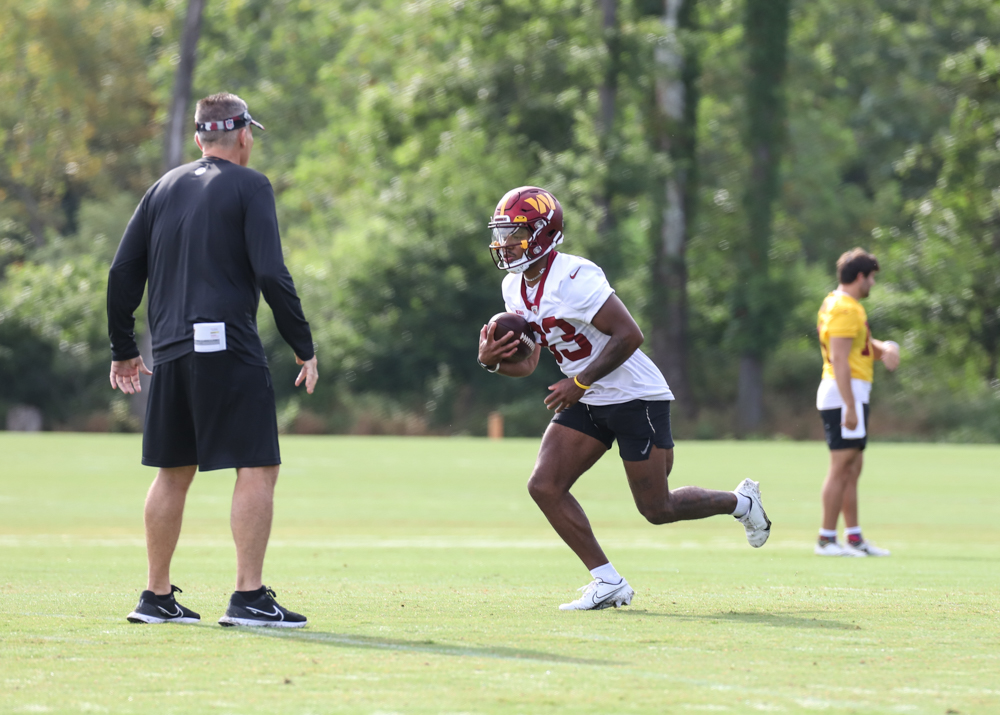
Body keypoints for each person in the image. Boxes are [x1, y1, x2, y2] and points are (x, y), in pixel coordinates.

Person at [477, 186, 771, 611]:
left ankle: (741, 502)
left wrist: (579, 382)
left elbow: (630, 335)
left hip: (635, 396)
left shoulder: (575, 276)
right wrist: (490, 362)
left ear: (544, 234)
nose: (505, 244)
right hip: (588, 398)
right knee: (544, 486)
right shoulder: (513, 288)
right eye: (502, 234)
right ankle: (608, 581)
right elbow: (529, 363)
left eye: (516, 234)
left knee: (657, 508)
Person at [107, 92, 319, 627]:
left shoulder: (162, 188)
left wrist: (123, 348)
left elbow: (122, 273)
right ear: (243, 135)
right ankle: (248, 597)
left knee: (173, 470)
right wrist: (303, 343)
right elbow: (271, 273)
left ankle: (155, 597)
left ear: (200, 136)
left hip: (170, 348)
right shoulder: (251, 185)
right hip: (227, 344)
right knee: (258, 463)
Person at [814, 248, 900, 557]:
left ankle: (853, 538)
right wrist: (850, 406)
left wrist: (885, 348)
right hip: (843, 394)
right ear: (860, 276)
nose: (873, 283)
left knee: (852, 468)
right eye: (872, 277)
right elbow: (839, 358)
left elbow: (858, 347)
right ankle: (826, 539)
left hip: (850, 393)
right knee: (841, 468)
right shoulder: (845, 308)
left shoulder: (840, 304)